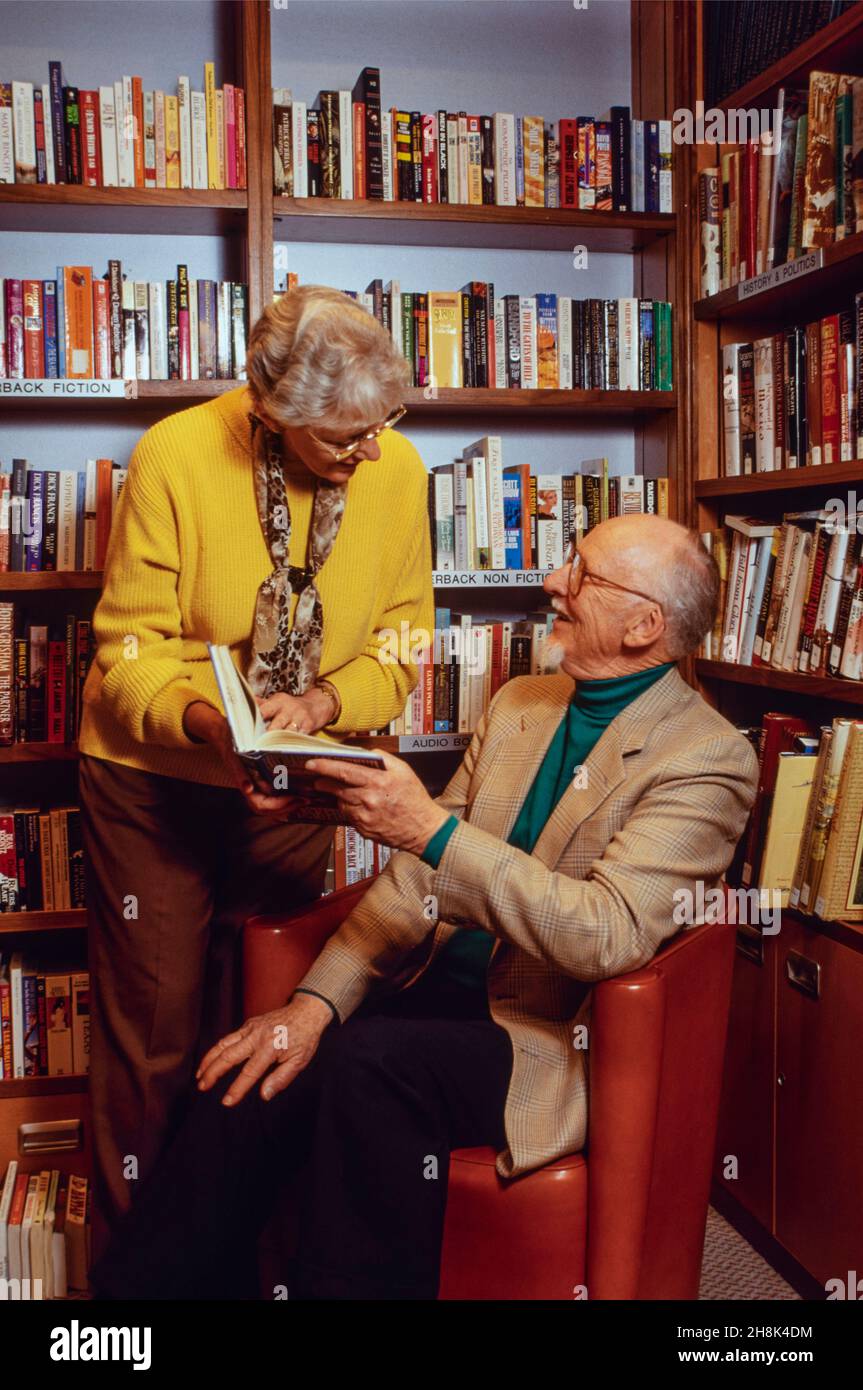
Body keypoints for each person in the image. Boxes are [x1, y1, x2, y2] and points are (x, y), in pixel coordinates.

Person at [91, 513, 759, 1301]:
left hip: (546, 1032)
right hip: (431, 991)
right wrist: (308, 1006)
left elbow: (604, 935)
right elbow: (417, 878)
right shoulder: (523, 704)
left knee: (371, 1066)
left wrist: (433, 832)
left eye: (582, 575)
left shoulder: (708, 759)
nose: (553, 584)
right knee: (251, 1060)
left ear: (643, 625)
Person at [78, 284, 434, 1252]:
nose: (369, 451)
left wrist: (321, 706)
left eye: (383, 423)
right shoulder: (178, 452)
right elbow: (130, 650)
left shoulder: (395, 466)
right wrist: (211, 723)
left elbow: (403, 643)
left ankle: (247, 1257)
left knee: (267, 1017)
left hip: (298, 778)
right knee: (154, 1034)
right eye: (340, 436)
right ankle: (140, 1279)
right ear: (268, 409)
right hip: (158, 778)